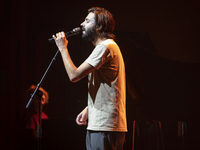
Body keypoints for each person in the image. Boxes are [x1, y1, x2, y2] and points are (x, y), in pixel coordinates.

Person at [53, 7, 127, 150]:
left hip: (105, 126)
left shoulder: (105, 46)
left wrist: (62, 48)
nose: (82, 24)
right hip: (102, 124)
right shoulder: (107, 47)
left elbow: (74, 76)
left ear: (99, 26)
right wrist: (89, 109)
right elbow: (109, 87)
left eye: (87, 21)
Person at [17, 85, 49, 150]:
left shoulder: (45, 116)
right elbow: (32, 139)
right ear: (32, 98)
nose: (42, 96)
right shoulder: (28, 116)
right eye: (38, 94)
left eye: (42, 94)